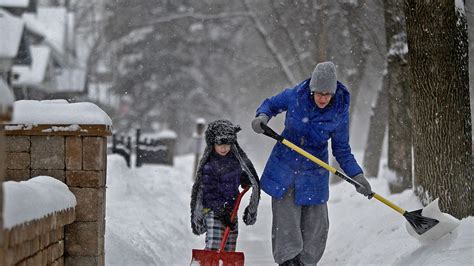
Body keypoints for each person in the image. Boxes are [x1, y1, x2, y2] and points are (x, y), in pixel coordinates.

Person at [251, 61, 372, 265]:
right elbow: (271, 104)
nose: (323, 98)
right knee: (286, 225)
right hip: (285, 165)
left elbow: (341, 149)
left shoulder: (339, 110)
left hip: (315, 170)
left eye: (327, 94)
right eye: (319, 93)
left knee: (317, 227)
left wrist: (357, 175)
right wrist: (262, 116)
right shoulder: (295, 96)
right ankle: (288, 262)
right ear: (311, 90)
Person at [190, 119, 260, 251]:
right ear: (212, 143)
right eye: (220, 144)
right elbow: (208, 193)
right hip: (212, 211)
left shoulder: (235, 161)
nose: (224, 148)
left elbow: (235, 177)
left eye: (227, 144)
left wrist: (243, 178)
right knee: (215, 244)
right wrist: (220, 210)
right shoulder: (209, 166)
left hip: (232, 210)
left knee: (229, 244)